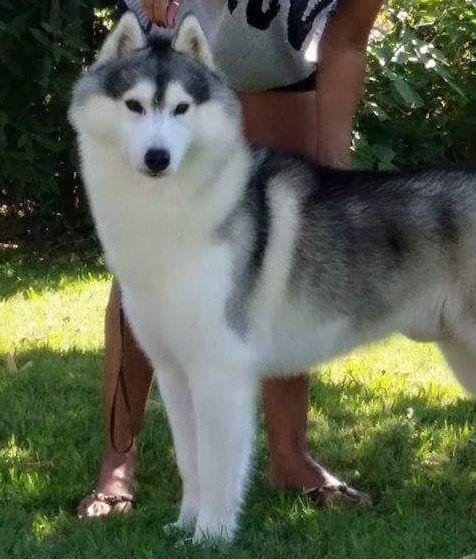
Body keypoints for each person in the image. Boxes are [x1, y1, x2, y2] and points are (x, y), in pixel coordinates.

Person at [78, 0, 384, 517]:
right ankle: (117, 463)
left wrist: (334, 166)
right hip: (168, 54)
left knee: (283, 262)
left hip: (277, 66)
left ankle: (290, 456)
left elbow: (348, 38)